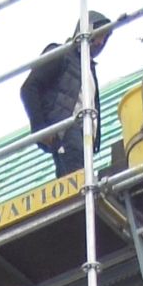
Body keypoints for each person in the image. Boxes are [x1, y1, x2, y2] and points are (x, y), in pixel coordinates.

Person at [18, 12, 113, 177]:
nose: (101, 42)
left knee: (82, 180)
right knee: (76, 182)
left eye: (105, 39)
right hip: (68, 130)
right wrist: (41, 129)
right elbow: (29, 88)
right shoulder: (62, 54)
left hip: (85, 137)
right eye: (99, 35)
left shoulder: (88, 68)